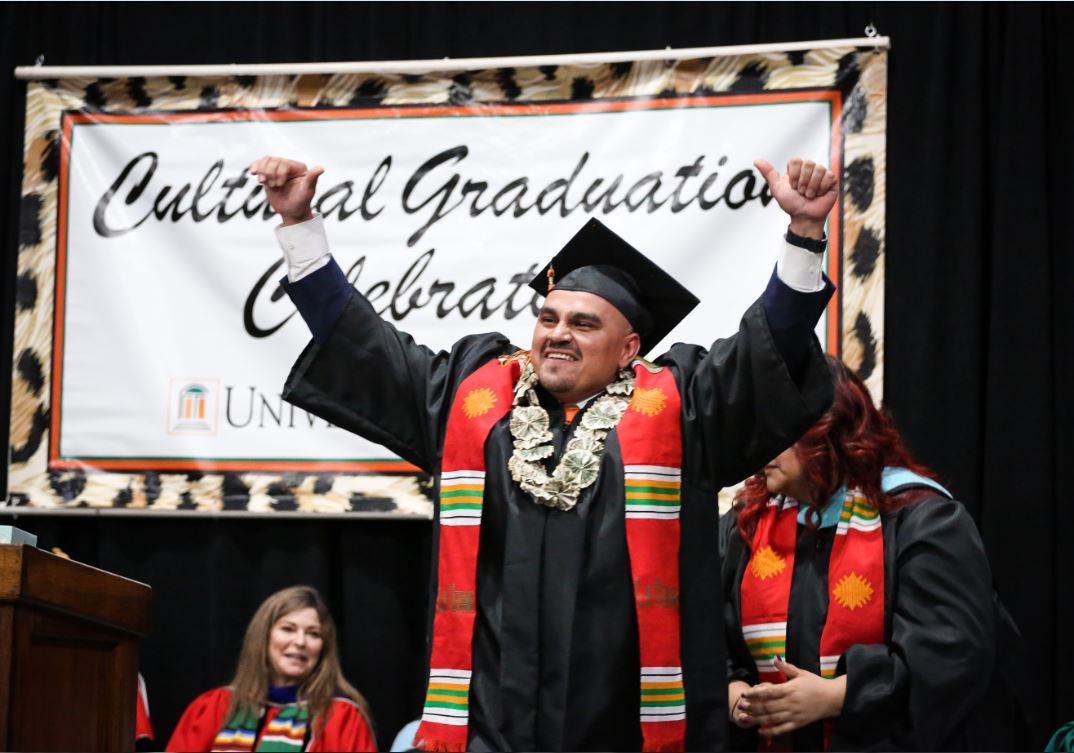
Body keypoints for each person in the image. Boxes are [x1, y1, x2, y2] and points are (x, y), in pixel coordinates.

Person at [250, 153, 838, 752]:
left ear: (629, 347)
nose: (557, 333)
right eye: (548, 318)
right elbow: (365, 347)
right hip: (491, 720)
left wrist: (805, 233)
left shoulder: (683, 408)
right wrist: (300, 228)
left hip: (626, 724)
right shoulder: (473, 398)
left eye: (583, 324)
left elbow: (772, 348)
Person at [721, 356, 1002, 751]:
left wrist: (838, 696)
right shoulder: (747, 524)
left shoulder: (920, 521)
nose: (759, 443)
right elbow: (706, 629)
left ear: (827, 433)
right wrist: (732, 689)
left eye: (778, 428)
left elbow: (952, 652)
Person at [166, 586, 376, 752]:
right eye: (288, 629)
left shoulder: (342, 718)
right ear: (263, 637)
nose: (300, 641)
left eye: (313, 634)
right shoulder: (213, 708)